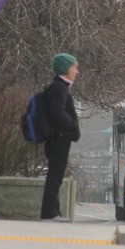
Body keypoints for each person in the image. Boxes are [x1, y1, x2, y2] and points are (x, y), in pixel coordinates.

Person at [41, 53, 81, 222]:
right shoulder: (59, 88)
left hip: (58, 138)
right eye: (74, 67)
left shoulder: (59, 87)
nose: (76, 72)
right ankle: (49, 213)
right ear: (65, 69)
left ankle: (54, 211)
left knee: (56, 176)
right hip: (59, 138)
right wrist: (72, 124)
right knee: (55, 177)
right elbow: (57, 112)